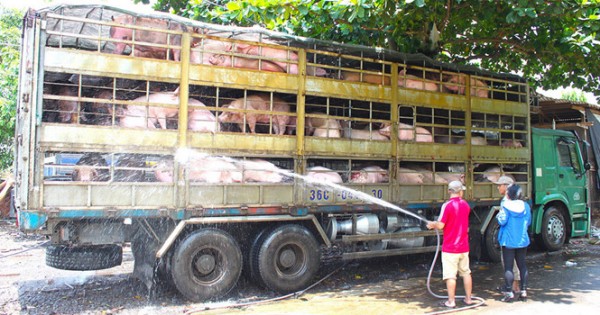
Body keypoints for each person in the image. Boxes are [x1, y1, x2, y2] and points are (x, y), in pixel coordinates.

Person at [427, 180, 473, 308]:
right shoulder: (465, 205)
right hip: (464, 247)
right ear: (460, 191)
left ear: (449, 191)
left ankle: (451, 301)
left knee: (450, 276)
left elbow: (441, 225)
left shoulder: (447, 206)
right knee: (466, 273)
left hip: (450, 248)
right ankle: (468, 299)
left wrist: (433, 224)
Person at [496, 184, 531, 302]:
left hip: (508, 240)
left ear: (509, 194)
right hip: (522, 240)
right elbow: (528, 221)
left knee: (508, 267)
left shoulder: (506, 206)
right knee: (522, 265)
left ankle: (509, 293)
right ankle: (524, 291)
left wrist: (498, 216)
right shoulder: (525, 206)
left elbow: (502, 221)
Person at [493, 175, 521, 293]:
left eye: (499, 185)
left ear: (506, 186)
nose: (498, 188)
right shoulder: (519, 201)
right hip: (517, 236)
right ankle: (515, 286)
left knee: (509, 263)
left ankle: (513, 287)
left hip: (508, 237)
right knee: (516, 261)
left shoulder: (506, 201)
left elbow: (503, 220)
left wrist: (498, 216)